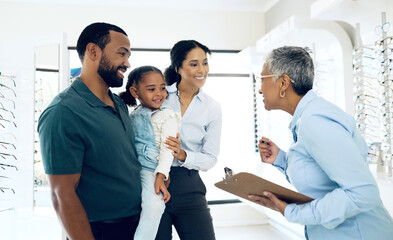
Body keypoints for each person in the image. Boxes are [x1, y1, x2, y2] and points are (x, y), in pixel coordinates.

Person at [249, 46, 393, 239]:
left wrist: (291, 212)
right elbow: (320, 182)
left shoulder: (315, 121)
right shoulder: (308, 119)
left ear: (283, 82)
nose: (259, 88)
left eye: (262, 78)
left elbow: (363, 192)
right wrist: (282, 160)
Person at [37, 22, 142, 240]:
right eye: (122, 54)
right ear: (93, 51)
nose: (128, 62)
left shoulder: (119, 103)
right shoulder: (63, 112)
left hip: (138, 225)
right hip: (100, 231)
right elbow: (62, 194)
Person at [155, 40, 222, 240]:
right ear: (178, 68)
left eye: (205, 63)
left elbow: (210, 158)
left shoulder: (212, 108)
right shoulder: (160, 96)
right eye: (194, 64)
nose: (201, 70)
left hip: (189, 185)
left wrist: (183, 155)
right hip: (154, 184)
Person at [119, 66, 180, 240]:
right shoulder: (132, 115)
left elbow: (168, 150)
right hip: (132, 168)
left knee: (154, 205)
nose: (159, 93)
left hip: (151, 169)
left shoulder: (167, 116)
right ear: (134, 91)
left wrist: (161, 176)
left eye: (162, 88)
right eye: (152, 89)